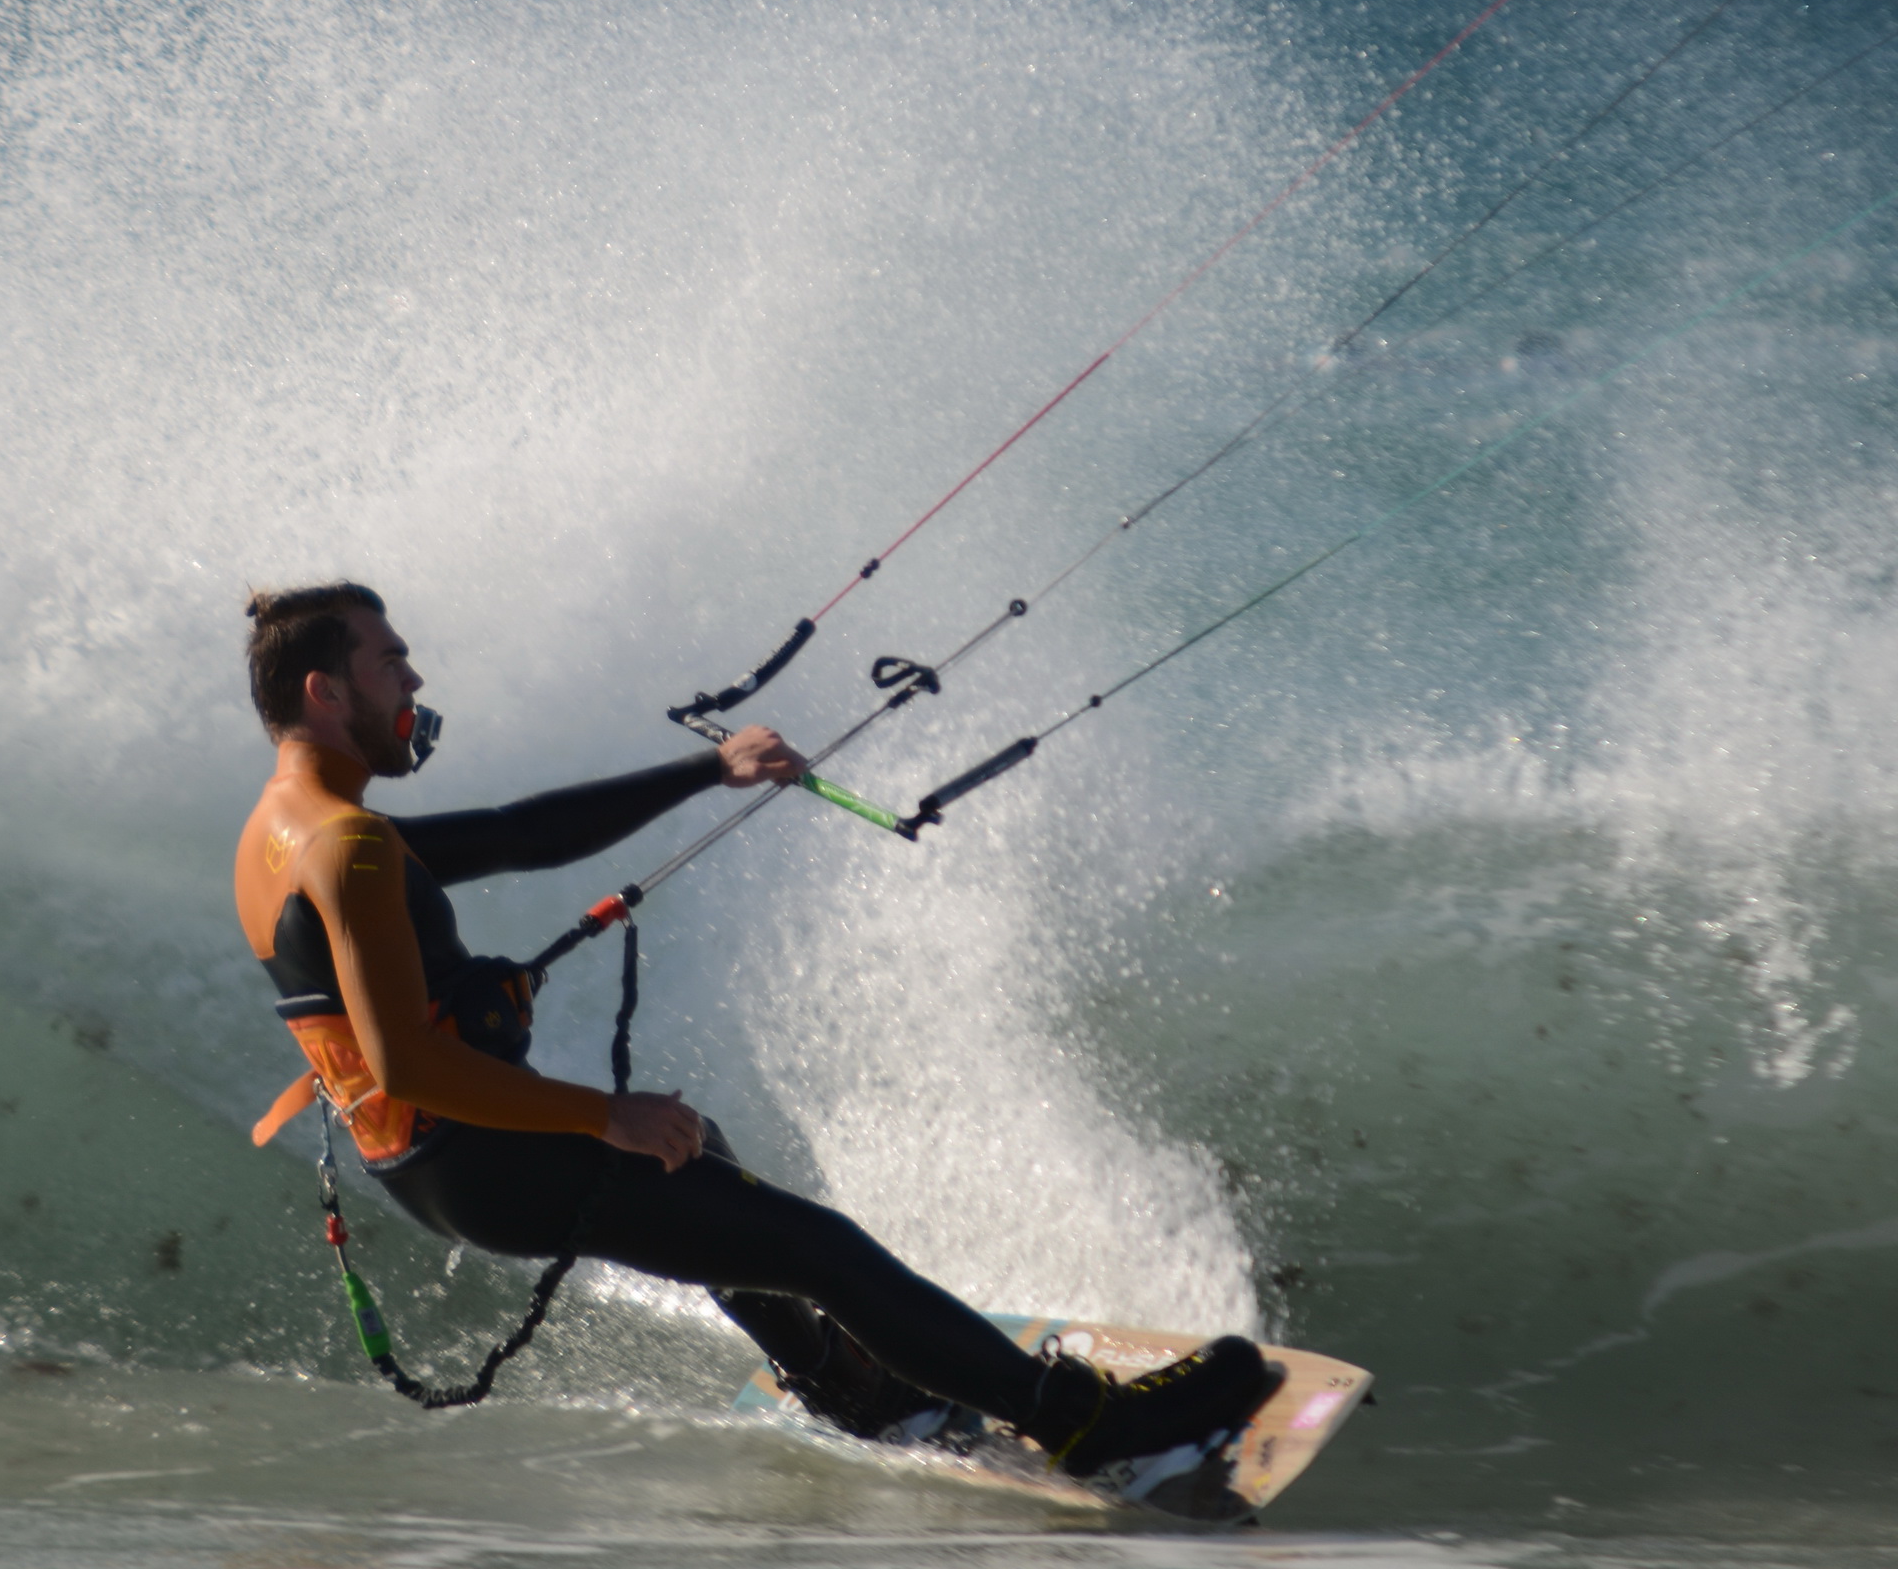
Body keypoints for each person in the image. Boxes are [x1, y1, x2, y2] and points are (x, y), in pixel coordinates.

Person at [232, 581, 1276, 1482]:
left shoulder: (277, 836)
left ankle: (846, 1383)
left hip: (422, 1166)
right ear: (328, 692)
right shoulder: (353, 845)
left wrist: (704, 771)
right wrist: (605, 1117)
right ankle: (1091, 1425)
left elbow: (517, 836)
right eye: (392, 664)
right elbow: (409, 1062)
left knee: (704, 1153)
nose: (413, 685)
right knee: (814, 1248)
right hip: (479, 1159)